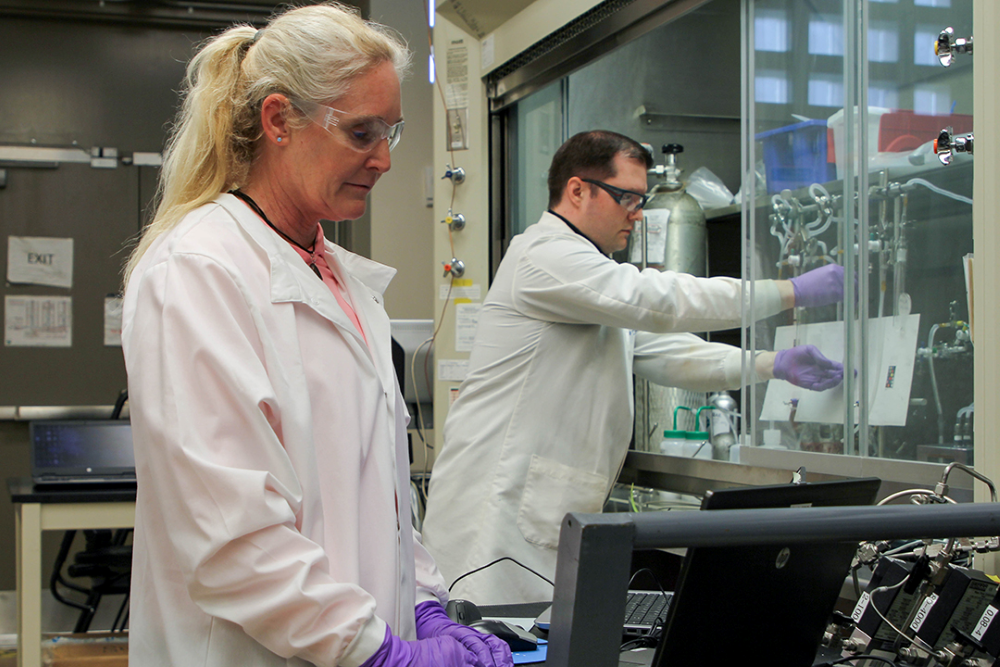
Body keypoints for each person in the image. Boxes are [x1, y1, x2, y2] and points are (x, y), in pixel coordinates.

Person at [120, 5, 512, 667]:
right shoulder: (197, 271)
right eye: (362, 132)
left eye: (391, 130)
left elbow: (378, 495)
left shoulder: (337, 278)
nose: (385, 159)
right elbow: (231, 540)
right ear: (278, 120)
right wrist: (380, 649)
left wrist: (421, 602)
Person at [420, 130, 845, 605]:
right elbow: (657, 299)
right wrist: (786, 292)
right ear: (577, 190)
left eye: (641, 199)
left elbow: (667, 351)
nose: (637, 213)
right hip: (492, 519)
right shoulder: (545, 256)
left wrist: (771, 363)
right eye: (627, 197)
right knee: (485, 647)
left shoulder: (589, 279)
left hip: (532, 516)